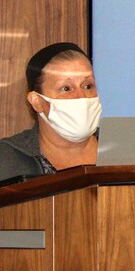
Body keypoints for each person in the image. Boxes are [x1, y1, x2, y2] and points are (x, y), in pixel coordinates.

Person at [0, 43, 102, 183]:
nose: (81, 96)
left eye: (88, 86)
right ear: (37, 101)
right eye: (66, 88)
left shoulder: (125, 151)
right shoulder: (6, 160)